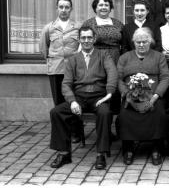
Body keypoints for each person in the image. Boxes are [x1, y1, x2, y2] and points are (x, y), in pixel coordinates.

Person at [49, 26, 118, 170]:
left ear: (94, 39)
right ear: (79, 40)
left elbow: (112, 73)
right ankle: (64, 153)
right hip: (79, 97)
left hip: (99, 97)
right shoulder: (73, 59)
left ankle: (101, 154)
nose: (86, 41)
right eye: (83, 38)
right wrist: (73, 101)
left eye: (89, 38)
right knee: (56, 112)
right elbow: (66, 84)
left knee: (105, 113)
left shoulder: (103, 55)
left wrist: (109, 93)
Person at [117, 28, 169, 166]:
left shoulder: (159, 56)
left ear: (150, 42)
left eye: (144, 42)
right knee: (125, 114)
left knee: (158, 112)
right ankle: (128, 149)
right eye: (138, 42)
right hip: (130, 95)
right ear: (133, 42)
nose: (141, 45)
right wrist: (127, 95)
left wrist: (155, 97)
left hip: (154, 95)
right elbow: (119, 79)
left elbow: (165, 78)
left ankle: (156, 148)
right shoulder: (124, 57)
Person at [39, 0, 82, 142]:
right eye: (61, 7)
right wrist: (54, 60)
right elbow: (43, 49)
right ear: (57, 8)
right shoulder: (49, 28)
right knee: (59, 102)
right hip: (56, 70)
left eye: (67, 7)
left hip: (73, 71)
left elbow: (81, 48)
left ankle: (76, 131)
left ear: (71, 9)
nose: (64, 10)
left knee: (74, 100)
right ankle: (64, 132)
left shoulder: (77, 27)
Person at [81, 0, 124, 65]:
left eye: (106, 5)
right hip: (95, 58)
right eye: (101, 5)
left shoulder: (118, 24)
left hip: (115, 58)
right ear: (95, 8)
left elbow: (124, 44)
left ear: (110, 8)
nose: (104, 7)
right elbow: (82, 43)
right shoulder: (88, 24)